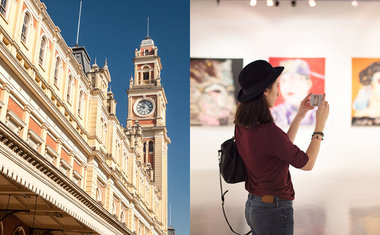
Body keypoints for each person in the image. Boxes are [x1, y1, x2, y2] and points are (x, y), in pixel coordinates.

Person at [234, 60, 329, 235]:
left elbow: (280, 148)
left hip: (254, 206)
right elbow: (306, 164)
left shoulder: (242, 125)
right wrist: (320, 128)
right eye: (277, 86)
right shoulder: (269, 132)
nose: (278, 93)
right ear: (265, 91)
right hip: (273, 210)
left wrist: (300, 115)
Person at [271, 59, 316, 126]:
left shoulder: (318, 112)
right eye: (283, 81)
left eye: (293, 79)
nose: (287, 86)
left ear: (308, 83)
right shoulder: (274, 114)